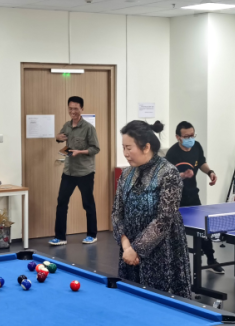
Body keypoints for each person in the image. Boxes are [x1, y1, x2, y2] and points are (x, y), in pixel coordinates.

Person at [111, 120, 192, 298]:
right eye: (123, 148)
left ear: (146, 147)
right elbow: (116, 213)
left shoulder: (168, 173)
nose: (125, 153)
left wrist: (136, 249)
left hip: (162, 252)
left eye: (129, 148)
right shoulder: (126, 174)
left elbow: (164, 219)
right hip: (129, 254)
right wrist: (126, 246)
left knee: (161, 303)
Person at [164, 121, 223, 274]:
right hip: (175, 198)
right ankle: (174, 265)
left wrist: (210, 172)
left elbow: (201, 162)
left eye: (192, 135)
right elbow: (167, 177)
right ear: (178, 137)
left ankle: (211, 259)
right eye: (186, 136)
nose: (190, 138)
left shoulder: (197, 146)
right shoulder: (172, 154)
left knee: (203, 229)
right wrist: (183, 175)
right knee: (175, 233)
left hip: (192, 196)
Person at [51, 96, 101, 246]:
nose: (73, 111)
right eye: (70, 108)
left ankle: (92, 235)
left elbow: (95, 149)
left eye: (76, 109)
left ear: (82, 109)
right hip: (69, 171)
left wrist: (80, 152)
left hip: (85, 172)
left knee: (88, 204)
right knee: (61, 202)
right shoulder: (67, 125)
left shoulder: (88, 128)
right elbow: (61, 138)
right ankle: (60, 237)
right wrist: (57, 138)